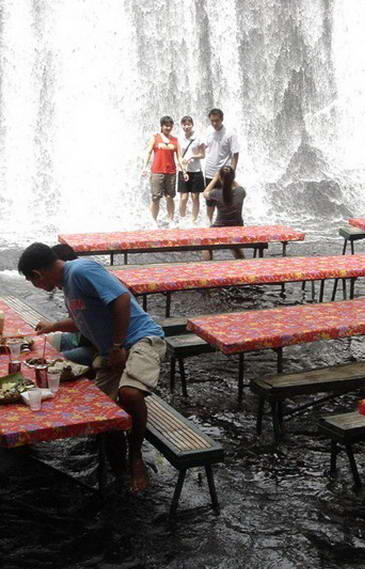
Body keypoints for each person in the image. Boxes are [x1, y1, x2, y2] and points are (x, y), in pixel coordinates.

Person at [18, 243, 166, 493]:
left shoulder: (80, 270)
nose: (36, 286)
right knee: (104, 414)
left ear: (37, 275)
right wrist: (53, 326)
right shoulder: (68, 285)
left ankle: (136, 456)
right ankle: (118, 472)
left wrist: (118, 345)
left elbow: (121, 299)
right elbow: (82, 321)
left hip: (141, 339)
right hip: (111, 350)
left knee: (130, 393)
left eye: (32, 281)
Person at [49, 244, 96, 366]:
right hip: (79, 338)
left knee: (52, 362)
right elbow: (77, 321)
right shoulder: (68, 285)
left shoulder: (81, 282)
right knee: (40, 345)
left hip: (95, 347)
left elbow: (79, 324)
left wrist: (53, 327)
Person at [142, 116, 188, 226]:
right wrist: (144, 167)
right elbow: (148, 152)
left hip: (171, 172)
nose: (168, 127)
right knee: (156, 197)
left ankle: (171, 220)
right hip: (157, 171)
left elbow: (179, 157)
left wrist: (184, 171)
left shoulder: (175, 140)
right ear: (161, 126)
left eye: (170, 126)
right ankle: (153, 221)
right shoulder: (155, 138)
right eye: (166, 125)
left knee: (170, 197)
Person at [201, 165, 246, 260]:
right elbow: (238, 186)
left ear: (220, 178)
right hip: (237, 228)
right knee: (235, 246)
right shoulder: (241, 191)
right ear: (233, 177)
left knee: (205, 241)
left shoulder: (217, 193)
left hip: (219, 228)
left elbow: (205, 193)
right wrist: (230, 179)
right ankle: (242, 262)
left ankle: (207, 266)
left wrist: (215, 178)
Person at [204, 108, 240, 224]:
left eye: (217, 121)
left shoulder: (230, 134)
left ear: (222, 119)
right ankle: (209, 223)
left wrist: (232, 172)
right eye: (212, 121)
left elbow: (235, 153)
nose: (214, 123)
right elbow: (203, 147)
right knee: (209, 201)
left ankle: (225, 223)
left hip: (224, 173)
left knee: (225, 199)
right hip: (209, 171)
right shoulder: (208, 131)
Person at [177, 115, 206, 224]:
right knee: (183, 198)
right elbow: (179, 156)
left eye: (188, 124)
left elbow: (203, 155)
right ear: (181, 126)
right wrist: (183, 170)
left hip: (196, 171)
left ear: (192, 125)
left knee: (195, 197)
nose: (186, 126)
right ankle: (182, 218)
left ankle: (193, 220)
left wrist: (192, 156)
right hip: (183, 171)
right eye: (184, 124)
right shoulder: (179, 138)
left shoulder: (198, 137)